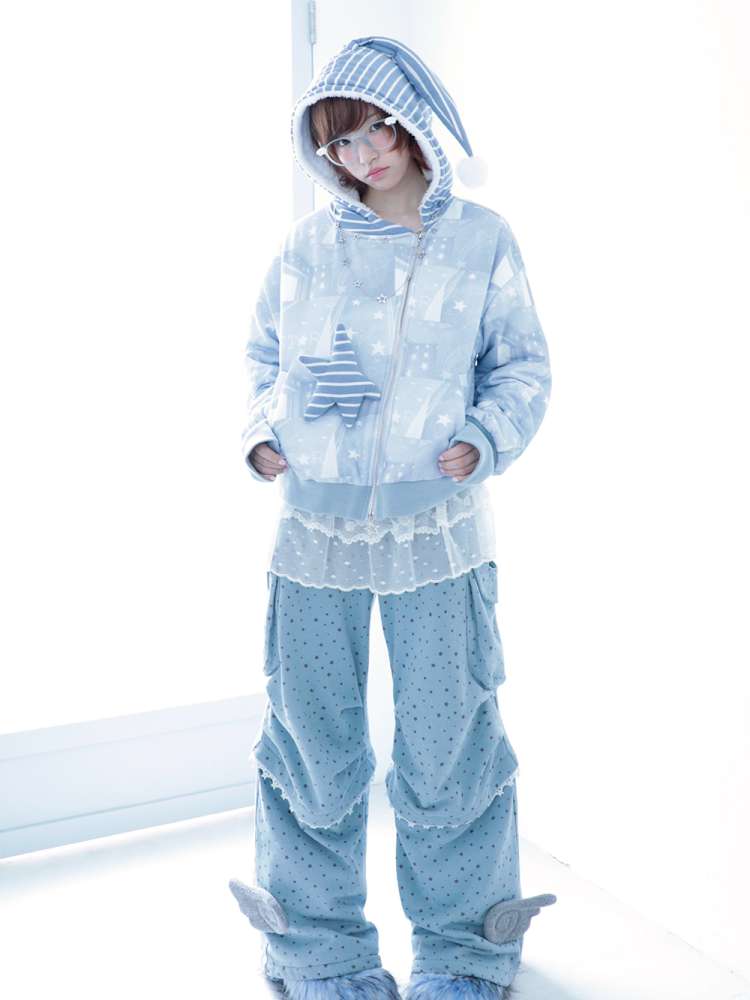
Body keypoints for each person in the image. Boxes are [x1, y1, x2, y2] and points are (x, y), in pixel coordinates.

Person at [228, 35, 556, 1000]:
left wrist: (486, 438)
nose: (362, 155)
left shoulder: (482, 240)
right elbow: (263, 357)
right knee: (311, 747)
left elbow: (521, 365)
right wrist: (260, 434)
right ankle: (317, 954)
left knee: (449, 748)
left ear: (408, 120)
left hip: (437, 536)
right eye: (338, 143)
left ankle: (463, 951)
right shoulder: (306, 246)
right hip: (314, 537)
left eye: (373, 129)